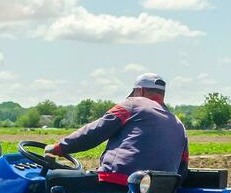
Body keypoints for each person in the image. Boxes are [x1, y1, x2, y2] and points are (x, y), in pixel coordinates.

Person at [46, 73, 188, 187]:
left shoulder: (133, 104)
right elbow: (183, 167)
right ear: (162, 94)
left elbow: (95, 131)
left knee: (53, 178)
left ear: (140, 90)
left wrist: (59, 148)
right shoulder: (179, 124)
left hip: (117, 182)